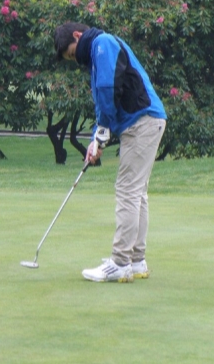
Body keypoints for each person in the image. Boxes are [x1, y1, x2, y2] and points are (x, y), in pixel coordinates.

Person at [54, 23, 166, 283]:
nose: (74, 59)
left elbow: (107, 90)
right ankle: (136, 261)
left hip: (143, 121)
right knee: (137, 193)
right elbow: (103, 100)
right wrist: (97, 138)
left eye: (72, 53)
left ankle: (120, 262)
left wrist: (102, 131)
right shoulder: (96, 53)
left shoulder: (102, 44)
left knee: (128, 190)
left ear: (77, 36)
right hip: (142, 122)